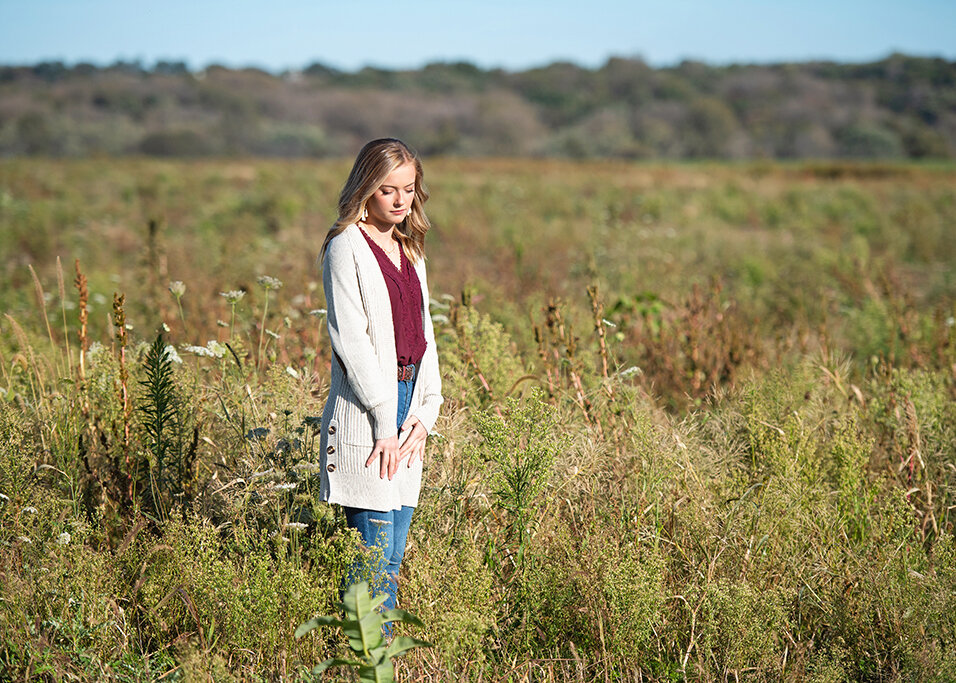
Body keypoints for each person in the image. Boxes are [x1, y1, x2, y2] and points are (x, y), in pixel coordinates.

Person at [317, 138, 443, 617]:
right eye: (387, 189)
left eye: (409, 189)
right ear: (365, 189)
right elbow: (352, 344)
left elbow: (426, 335)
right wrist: (384, 423)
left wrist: (427, 412)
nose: (400, 200)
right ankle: (370, 663)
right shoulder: (345, 246)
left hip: (409, 406)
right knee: (372, 561)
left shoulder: (411, 249)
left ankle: (376, 662)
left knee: (393, 555)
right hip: (369, 413)